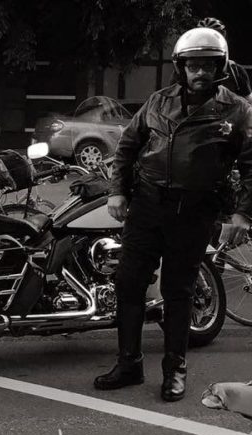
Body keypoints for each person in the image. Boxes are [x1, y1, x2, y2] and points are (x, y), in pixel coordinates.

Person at [94, 27, 252, 402]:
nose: (200, 72)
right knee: (129, 283)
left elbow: (251, 167)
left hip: (195, 211)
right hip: (147, 205)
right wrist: (117, 192)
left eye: (208, 66)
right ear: (181, 67)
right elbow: (127, 148)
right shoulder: (157, 102)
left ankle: (175, 369)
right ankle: (129, 362)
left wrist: (243, 216)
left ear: (222, 67)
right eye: (193, 65)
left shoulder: (238, 110)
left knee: (177, 291)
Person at [173, 18, 252, 102]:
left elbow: (248, 102)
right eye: (193, 67)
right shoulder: (182, 71)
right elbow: (172, 102)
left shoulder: (236, 70)